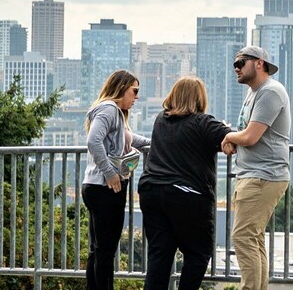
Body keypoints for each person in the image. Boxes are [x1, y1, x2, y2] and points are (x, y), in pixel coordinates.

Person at [139, 77, 234, 290]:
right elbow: (233, 137)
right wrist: (226, 135)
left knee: (160, 254)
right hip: (186, 194)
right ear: (200, 98)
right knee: (198, 252)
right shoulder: (203, 122)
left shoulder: (160, 120)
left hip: (151, 191)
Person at [220, 46, 292, 290]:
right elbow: (248, 134)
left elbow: (250, 136)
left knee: (243, 237)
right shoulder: (254, 92)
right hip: (254, 174)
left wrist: (229, 136)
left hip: (263, 176)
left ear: (259, 63)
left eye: (241, 62)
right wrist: (234, 139)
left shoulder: (270, 92)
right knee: (253, 238)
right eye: (235, 64)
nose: (236, 68)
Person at [82, 70, 150, 290]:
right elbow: (93, 141)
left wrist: (158, 142)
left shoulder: (114, 112)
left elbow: (130, 138)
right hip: (105, 188)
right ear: (121, 88)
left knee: (98, 249)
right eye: (134, 91)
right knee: (105, 251)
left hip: (97, 186)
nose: (137, 96)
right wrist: (111, 174)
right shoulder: (110, 109)